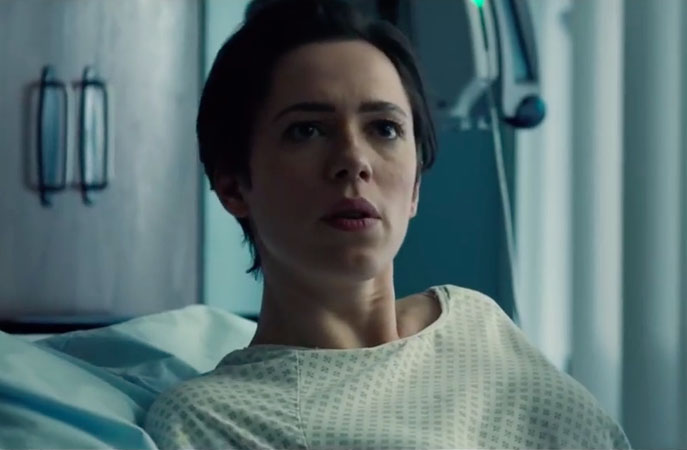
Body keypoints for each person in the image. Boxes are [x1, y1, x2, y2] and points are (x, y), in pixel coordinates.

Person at [144, 0, 631, 448]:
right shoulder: (213, 419)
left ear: (415, 185)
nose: (354, 161)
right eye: (306, 130)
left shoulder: (477, 329)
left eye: (384, 128)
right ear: (233, 186)